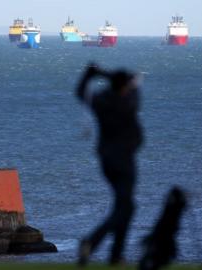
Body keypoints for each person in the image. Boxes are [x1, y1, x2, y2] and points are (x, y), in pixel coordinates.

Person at [76, 63, 144, 266]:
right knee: (126, 207)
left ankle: (116, 255)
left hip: (107, 160)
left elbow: (80, 92)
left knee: (124, 206)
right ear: (124, 86)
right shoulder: (128, 102)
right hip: (125, 161)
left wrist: (91, 74)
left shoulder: (101, 101)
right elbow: (134, 86)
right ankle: (92, 241)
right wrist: (112, 75)